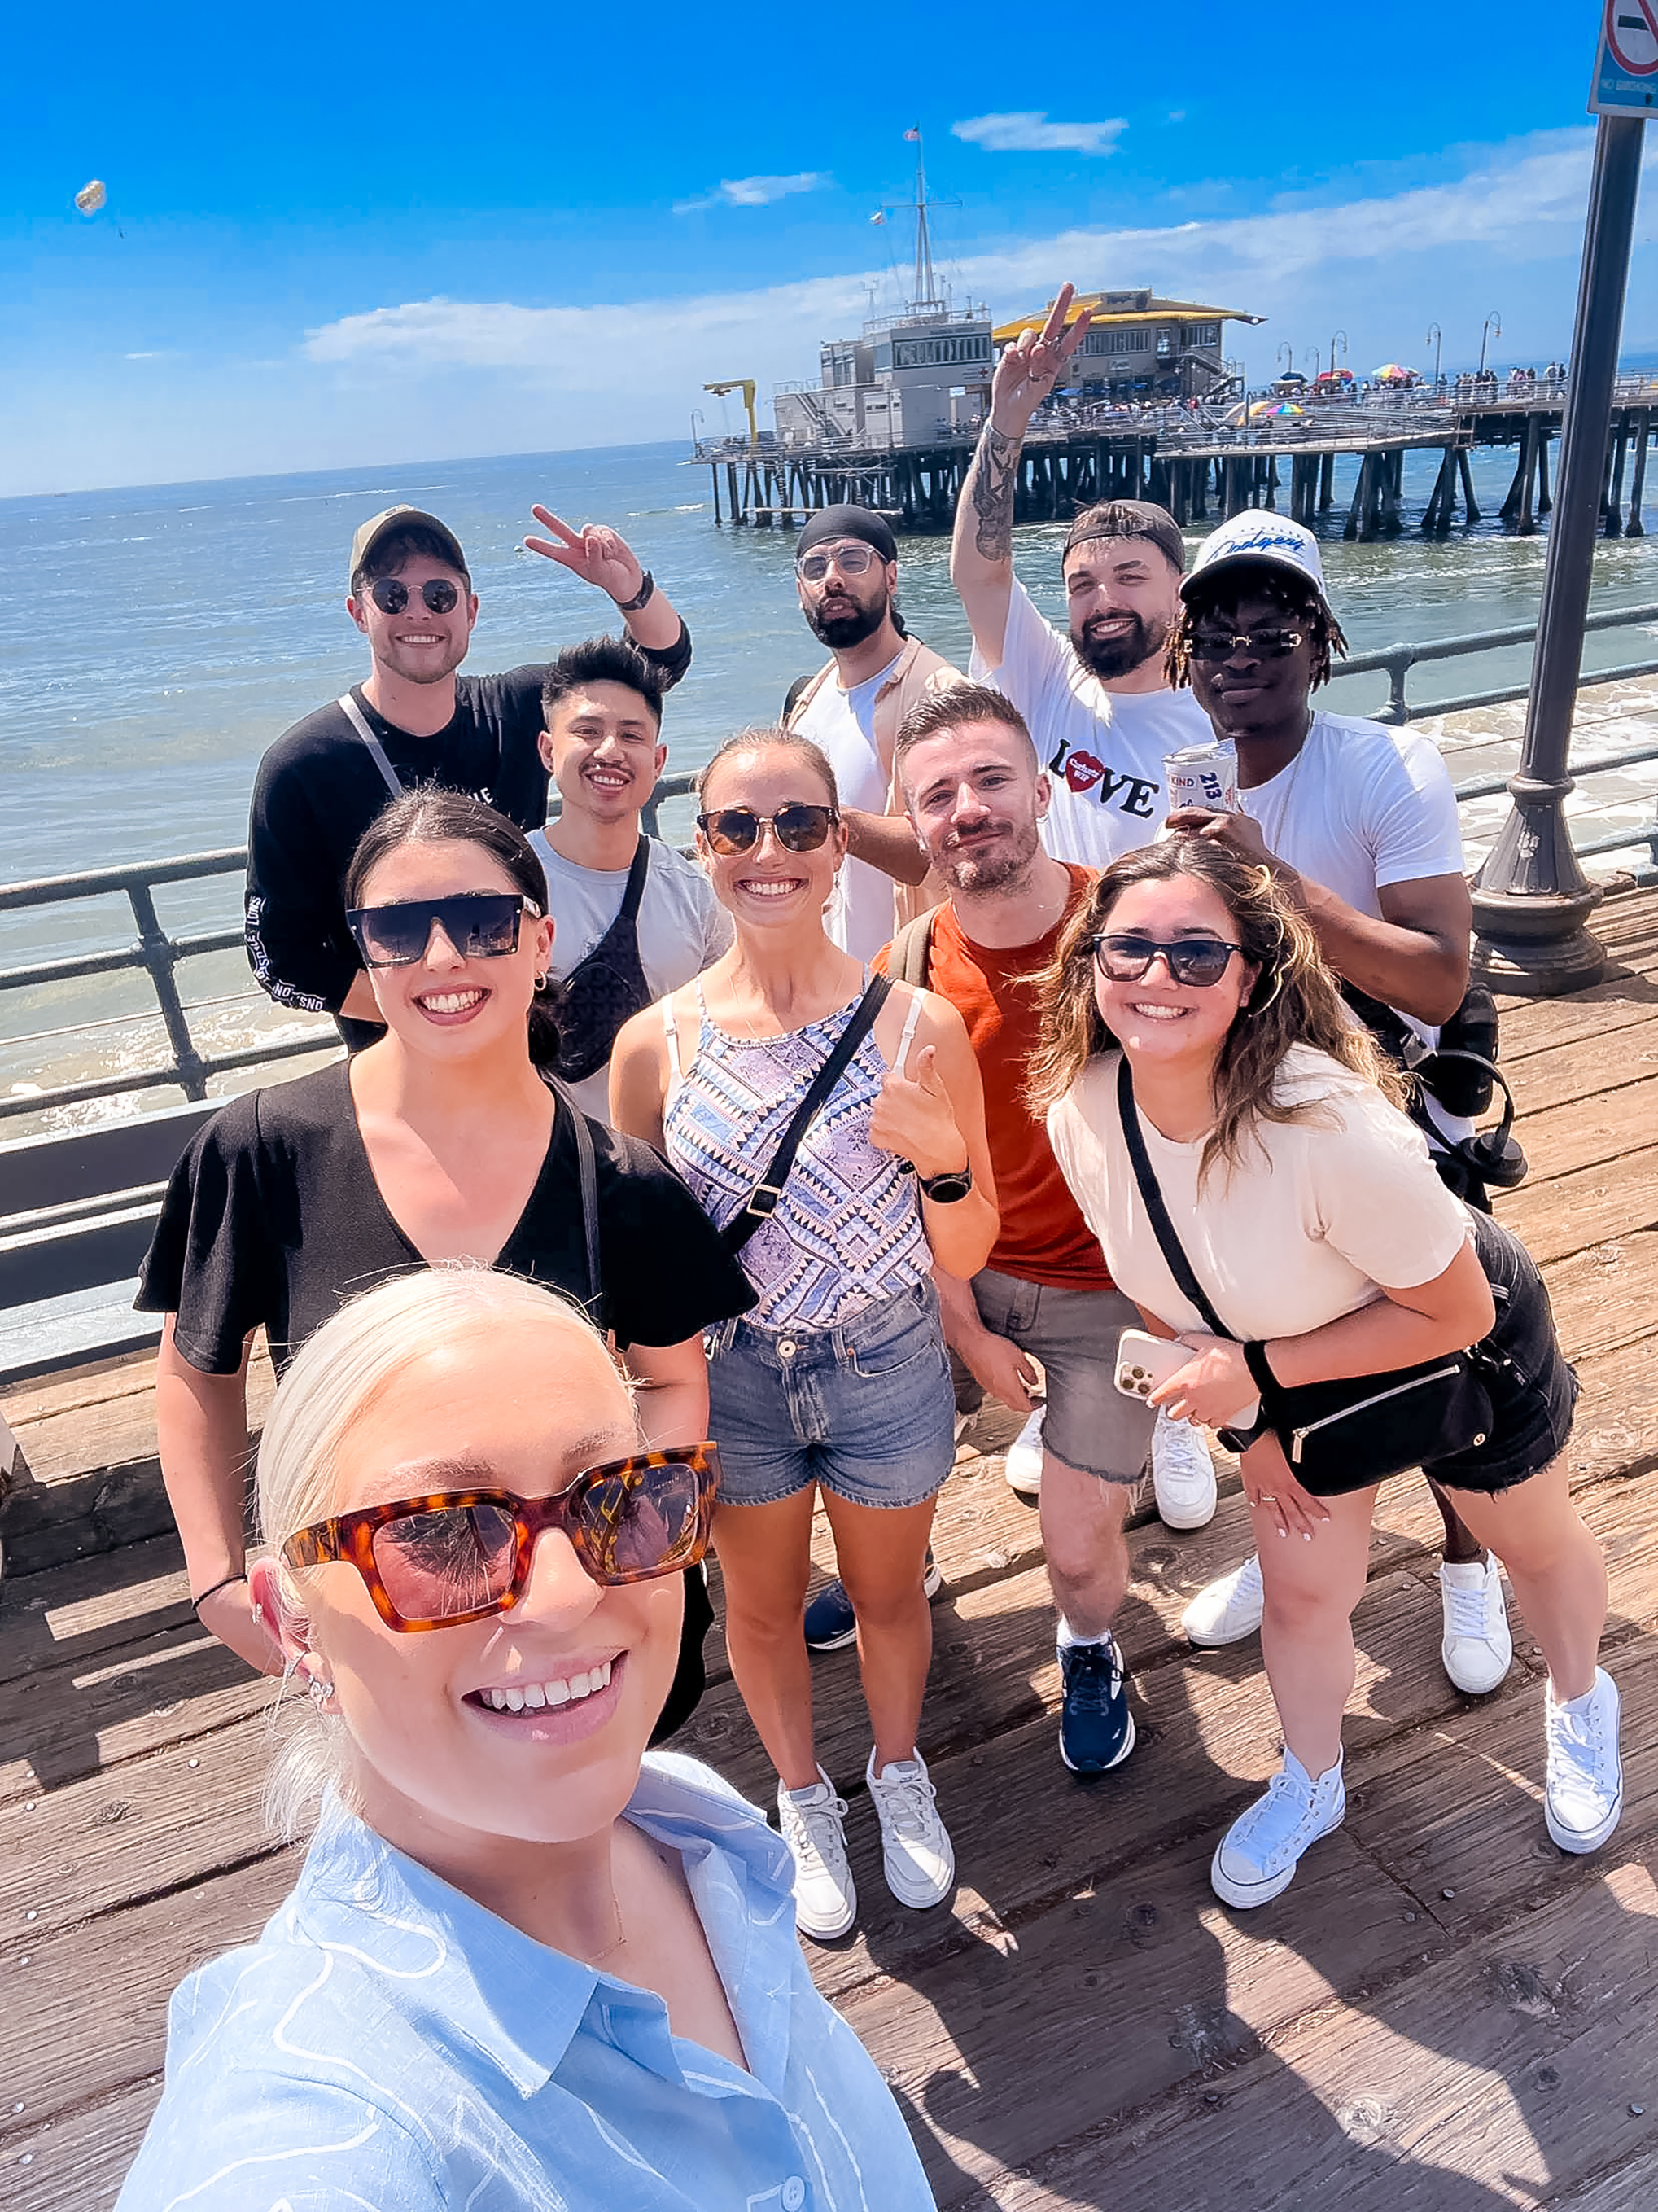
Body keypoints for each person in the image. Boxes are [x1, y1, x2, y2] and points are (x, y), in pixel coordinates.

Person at [116, 1267, 939, 2211]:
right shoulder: (317, 2112)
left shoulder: (694, 1826)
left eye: (614, 1495)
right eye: (443, 1531)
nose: (568, 1592)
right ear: (292, 1624)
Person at [1034, 837, 1619, 1907]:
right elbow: (1158, 1276)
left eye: (1195, 954)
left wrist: (1254, 1380)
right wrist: (1256, 1433)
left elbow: (1455, 1308)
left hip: (1449, 1341)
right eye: (1128, 950)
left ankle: (1581, 1698)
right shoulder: (1081, 1104)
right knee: (1303, 1597)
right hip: (1289, 1369)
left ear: (1251, 974)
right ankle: (1312, 1779)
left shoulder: (1324, 1124)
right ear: (1088, 964)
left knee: (1529, 1548)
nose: (1156, 977)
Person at [141, 790, 754, 1697]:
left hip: (574, 1622)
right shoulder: (264, 1148)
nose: (442, 957)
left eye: (480, 921)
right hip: (380, 1624)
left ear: (540, 942)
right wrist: (219, 1582)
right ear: (364, 950)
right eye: (397, 929)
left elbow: (670, 1380)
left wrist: (625, 1544)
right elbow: (198, 1369)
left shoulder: (617, 1181)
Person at [610, 729, 997, 1942]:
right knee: (762, 1610)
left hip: (885, 1357)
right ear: (703, 846)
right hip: (734, 1379)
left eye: (797, 825)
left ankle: (897, 1769)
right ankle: (801, 1792)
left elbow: (972, 1243)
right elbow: (639, 1259)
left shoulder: (917, 1024)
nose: (767, 851)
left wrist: (941, 1170)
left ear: (841, 848)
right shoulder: (653, 1044)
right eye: (737, 826)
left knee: (890, 1601)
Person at [1161, 511, 1513, 1692]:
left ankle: (1470, 1558)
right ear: (1183, 659)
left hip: (1391, 1105)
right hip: (1248, 1114)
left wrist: (1272, 881)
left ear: (1322, 642)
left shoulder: (1384, 765)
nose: (1240, 658)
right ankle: (1291, 1543)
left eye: (1274, 631)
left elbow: (1436, 976)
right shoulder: (1174, 777)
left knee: (1444, 1333)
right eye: (1215, 637)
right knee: (1273, 1343)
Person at [949, 283, 1216, 1522]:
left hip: (1165, 1000)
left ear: (1179, 595)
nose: (1105, 594)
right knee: (1069, 1196)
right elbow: (979, 564)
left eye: (1132, 575)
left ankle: (1161, 1408)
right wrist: (1009, 420)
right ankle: (1081, 1401)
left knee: (1166, 1200)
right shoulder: (1051, 689)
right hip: (1053, 996)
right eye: (1086, 577)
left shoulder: (1220, 723)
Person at [879, 681, 1169, 1781]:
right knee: (876, 1485)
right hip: (962, 1272)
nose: (968, 808)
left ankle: (1090, 1648)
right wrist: (961, 1325)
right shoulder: (903, 978)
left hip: (1117, 1297)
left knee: (1078, 1537)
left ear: (1041, 789)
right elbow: (901, 1177)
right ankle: (891, 1588)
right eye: (937, 793)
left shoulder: (1136, 934)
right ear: (914, 826)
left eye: (991, 778)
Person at [246, 502, 692, 1048]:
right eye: (392, 595)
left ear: (471, 610)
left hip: (525, 1056)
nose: (419, 613)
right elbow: (278, 958)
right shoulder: (302, 766)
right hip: (400, 1068)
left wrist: (628, 590)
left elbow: (657, 666)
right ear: (358, 612)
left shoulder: (517, 707)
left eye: (440, 595)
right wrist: (432, 1008)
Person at [527, 637, 732, 1122]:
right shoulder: (505, 883)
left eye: (632, 735)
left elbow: (726, 1030)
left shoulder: (693, 893)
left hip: (665, 1163)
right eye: (588, 731)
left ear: (658, 761)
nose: (609, 751)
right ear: (548, 751)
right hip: (544, 1164)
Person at [782, 503, 963, 961]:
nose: (834, 578)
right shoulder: (807, 702)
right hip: (831, 984)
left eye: (853, 560)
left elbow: (950, 846)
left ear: (892, 577)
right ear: (801, 591)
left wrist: (829, 822)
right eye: (816, 567)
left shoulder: (942, 695)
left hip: (918, 976)